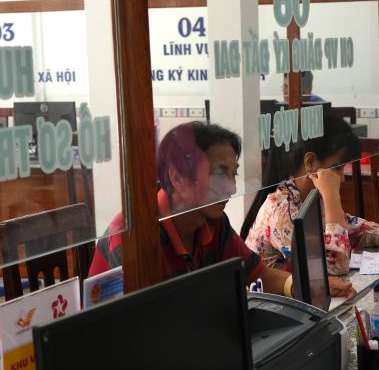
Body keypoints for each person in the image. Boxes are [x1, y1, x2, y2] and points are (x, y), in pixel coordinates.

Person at [89, 121, 354, 298]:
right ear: (177, 177)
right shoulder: (133, 233)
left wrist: (302, 287)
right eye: (219, 174)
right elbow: (146, 322)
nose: (229, 188)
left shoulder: (213, 222)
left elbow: (256, 273)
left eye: (233, 175)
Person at [242, 112, 379, 275]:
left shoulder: (305, 195)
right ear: (310, 163)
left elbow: (352, 228)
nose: (342, 178)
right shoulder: (281, 209)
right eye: (338, 168)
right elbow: (333, 267)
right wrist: (332, 196)